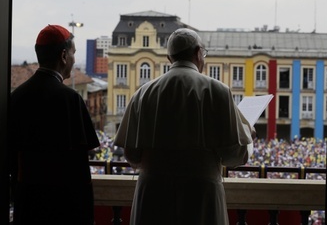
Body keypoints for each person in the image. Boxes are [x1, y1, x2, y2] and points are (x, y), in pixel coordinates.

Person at [114, 28, 256, 225]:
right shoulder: (218, 91)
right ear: (198, 53)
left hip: (153, 195)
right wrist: (248, 135)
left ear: (169, 57)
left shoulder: (142, 93)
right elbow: (234, 155)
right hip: (201, 195)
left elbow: (132, 154)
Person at [9, 24, 100, 224]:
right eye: (74, 53)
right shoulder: (70, 99)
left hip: (28, 202)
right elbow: (80, 167)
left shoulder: (16, 97)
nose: (75, 61)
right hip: (63, 206)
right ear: (64, 56)